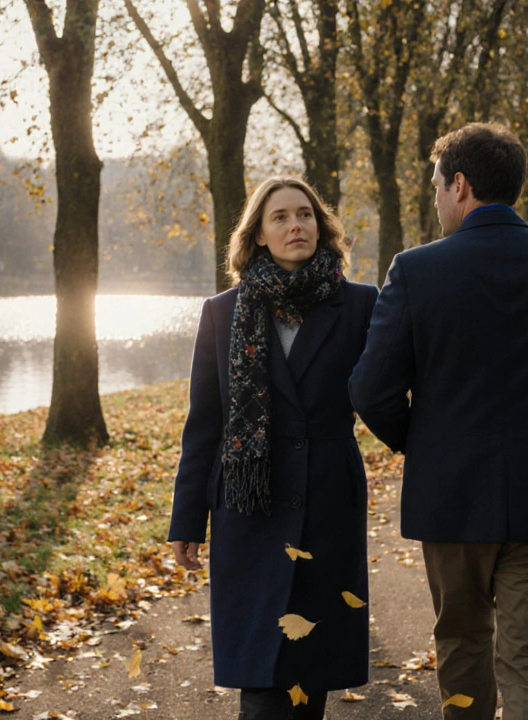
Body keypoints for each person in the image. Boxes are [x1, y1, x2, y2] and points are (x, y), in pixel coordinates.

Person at [349, 123, 528, 720]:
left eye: (436, 186)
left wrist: (425, 446)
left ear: (460, 185)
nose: (435, 200)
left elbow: (371, 390)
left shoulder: (414, 271)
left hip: (451, 499)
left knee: (462, 645)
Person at [168, 177, 379, 720]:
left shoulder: (360, 304)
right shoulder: (223, 311)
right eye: (280, 217)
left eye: (305, 215)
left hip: (328, 501)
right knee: (260, 678)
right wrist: (187, 520)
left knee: (312, 671)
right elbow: (204, 425)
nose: (295, 226)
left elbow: (383, 393)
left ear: (321, 227)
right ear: (258, 234)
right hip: (249, 508)